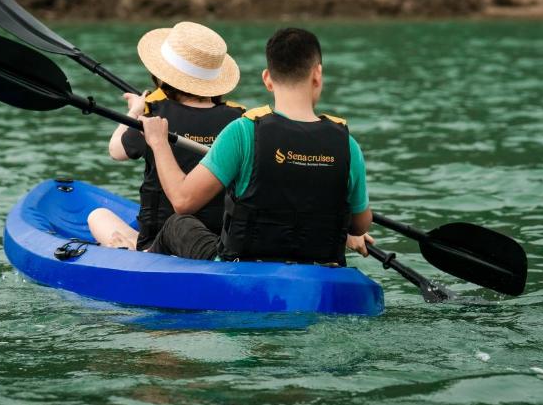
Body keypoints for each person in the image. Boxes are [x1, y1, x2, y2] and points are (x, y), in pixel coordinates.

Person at [139, 27, 374, 263]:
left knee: (177, 224)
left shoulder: (242, 132)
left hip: (241, 270)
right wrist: (347, 233)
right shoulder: (347, 145)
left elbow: (182, 201)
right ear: (317, 75)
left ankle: (140, 260)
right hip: (320, 270)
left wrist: (158, 142)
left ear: (267, 80)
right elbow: (360, 224)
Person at [87, 21, 245, 251]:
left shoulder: (154, 114)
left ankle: (133, 247)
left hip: (160, 240)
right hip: (219, 241)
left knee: (98, 215)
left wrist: (135, 111)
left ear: (163, 76)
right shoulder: (240, 119)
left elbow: (116, 151)